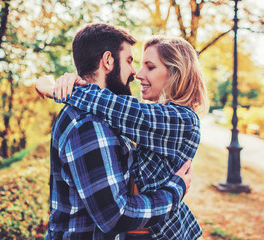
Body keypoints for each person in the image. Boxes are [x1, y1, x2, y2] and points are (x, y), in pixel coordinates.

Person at [37, 35, 209, 239]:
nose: (137, 73)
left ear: (175, 73)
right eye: (131, 61)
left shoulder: (181, 120)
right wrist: (58, 84)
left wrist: (55, 89)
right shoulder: (91, 122)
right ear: (108, 61)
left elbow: (119, 108)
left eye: (150, 67)